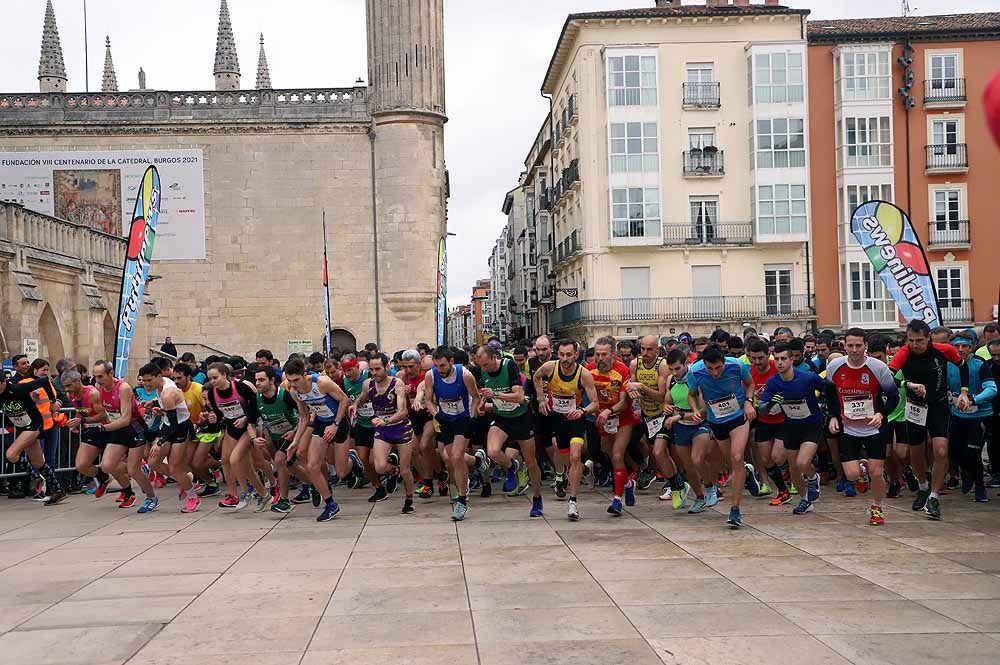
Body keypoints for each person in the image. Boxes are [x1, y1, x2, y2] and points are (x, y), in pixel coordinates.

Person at [826, 329, 900, 526]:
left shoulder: (878, 367)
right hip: (848, 428)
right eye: (850, 346)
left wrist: (881, 413)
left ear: (866, 346)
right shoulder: (835, 366)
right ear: (844, 346)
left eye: (858, 345)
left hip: (874, 427)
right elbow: (830, 394)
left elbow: (894, 397)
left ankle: (876, 508)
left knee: (877, 472)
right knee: (850, 474)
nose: (854, 350)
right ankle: (861, 470)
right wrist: (833, 416)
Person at [888, 319, 961, 517]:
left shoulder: (943, 350)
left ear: (928, 338)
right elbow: (888, 376)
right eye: (911, 340)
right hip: (915, 407)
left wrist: (963, 391)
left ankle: (934, 496)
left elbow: (962, 365)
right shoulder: (904, 352)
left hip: (938, 404)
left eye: (919, 340)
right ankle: (922, 486)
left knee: (941, 449)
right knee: (916, 452)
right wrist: (907, 384)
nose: (915, 345)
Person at [687, 345, 757, 528]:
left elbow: (750, 384)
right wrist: (695, 410)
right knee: (732, 463)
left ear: (724, 362)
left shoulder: (737, 366)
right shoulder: (695, 371)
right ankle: (746, 472)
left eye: (718, 368)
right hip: (716, 421)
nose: (714, 373)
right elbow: (691, 395)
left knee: (736, 456)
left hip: (738, 417)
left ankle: (735, 510)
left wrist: (749, 403)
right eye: (710, 368)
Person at [533, 339, 599, 520]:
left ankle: (573, 502)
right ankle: (579, 471)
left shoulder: (583, 374)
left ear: (576, 355)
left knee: (575, 455)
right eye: (561, 354)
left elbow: (595, 403)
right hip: (556, 418)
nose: (564, 358)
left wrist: (582, 411)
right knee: (562, 454)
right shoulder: (549, 367)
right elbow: (536, 377)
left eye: (569, 355)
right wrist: (541, 399)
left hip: (575, 419)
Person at [759, 343, 827, 514]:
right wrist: (771, 403)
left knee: (802, 462)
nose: (780, 363)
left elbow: (828, 389)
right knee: (793, 467)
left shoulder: (807, 377)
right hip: (791, 425)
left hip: (812, 424)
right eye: (778, 359)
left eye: (784, 359)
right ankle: (805, 500)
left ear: (791, 359)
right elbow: (762, 408)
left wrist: (828, 407)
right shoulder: (773, 382)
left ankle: (813, 477)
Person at [284, 357, 350, 522]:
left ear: (304, 375)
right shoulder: (294, 392)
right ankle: (331, 504)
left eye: (296, 380)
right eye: (289, 380)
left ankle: (353, 461)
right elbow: (304, 417)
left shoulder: (322, 382)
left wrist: (335, 424)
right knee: (312, 466)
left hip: (339, 423)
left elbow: (344, 400)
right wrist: (295, 441)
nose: (293, 384)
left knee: (341, 472)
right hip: (321, 423)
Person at [422, 346, 483, 520]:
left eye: (442, 366)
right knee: (450, 457)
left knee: (456, 457)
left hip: (463, 417)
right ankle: (478, 461)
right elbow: (428, 401)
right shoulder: (431, 376)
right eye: (436, 366)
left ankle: (462, 500)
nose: (439, 370)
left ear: (451, 362)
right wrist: (437, 415)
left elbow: (476, 398)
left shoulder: (465, 375)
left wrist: (472, 417)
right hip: (445, 418)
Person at [628, 335, 689, 508]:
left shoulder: (662, 366)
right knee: (658, 453)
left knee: (662, 451)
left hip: (665, 413)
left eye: (649, 349)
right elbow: (632, 387)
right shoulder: (635, 364)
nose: (645, 353)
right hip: (648, 415)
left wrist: (642, 387)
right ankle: (676, 484)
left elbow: (662, 396)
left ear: (657, 350)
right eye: (642, 349)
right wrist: (632, 390)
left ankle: (677, 484)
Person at [351, 353, 416, 514]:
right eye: (372, 369)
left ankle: (409, 500)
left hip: (401, 428)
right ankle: (392, 471)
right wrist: (355, 405)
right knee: (379, 466)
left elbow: (402, 411)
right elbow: (363, 397)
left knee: (406, 470)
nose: (375, 373)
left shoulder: (397, 384)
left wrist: (386, 421)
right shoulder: (368, 384)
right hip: (383, 429)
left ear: (387, 367)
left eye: (378, 369)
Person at [204, 361, 270, 512]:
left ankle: (246, 493)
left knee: (235, 459)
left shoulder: (240, 387)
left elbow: (256, 404)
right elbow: (221, 414)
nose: (213, 381)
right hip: (232, 429)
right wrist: (217, 422)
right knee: (233, 462)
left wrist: (246, 418)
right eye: (210, 379)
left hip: (249, 427)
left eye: (215, 377)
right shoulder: (213, 394)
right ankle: (263, 494)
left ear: (225, 375)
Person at [92, 360, 157, 512]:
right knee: (107, 466)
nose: (98, 380)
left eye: (101, 376)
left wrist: (103, 428)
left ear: (111, 373)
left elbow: (126, 418)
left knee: (133, 471)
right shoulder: (98, 388)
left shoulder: (123, 388)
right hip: (118, 430)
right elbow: (105, 413)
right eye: (95, 376)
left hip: (134, 429)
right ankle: (129, 489)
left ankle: (151, 498)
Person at [587, 336, 640, 516]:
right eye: (597, 354)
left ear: (613, 355)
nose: (600, 358)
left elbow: (624, 403)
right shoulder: (589, 370)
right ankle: (627, 483)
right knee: (608, 453)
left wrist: (609, 411)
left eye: (604, 354)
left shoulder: (623, 371)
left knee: (618, 455)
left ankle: (617, 500)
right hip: (602, 420)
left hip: (622, 418)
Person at [137, 363, 200, 513]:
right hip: (168, 425)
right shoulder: (161, 386)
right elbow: (168, 410)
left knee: (174, 467)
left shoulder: (168, 393)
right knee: (153, 462)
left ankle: (192, 496)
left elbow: (174, 425)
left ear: (159, 376)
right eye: (144, 381)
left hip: (180, 427)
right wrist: (155, 405)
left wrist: (160, 442)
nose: (146, 384)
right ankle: (186, 478)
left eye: (149, 380)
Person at [0, 369, 67, 505]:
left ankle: (36, 477)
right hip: (22, 428)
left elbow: (44, 381)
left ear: (3, 383)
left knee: (11, 454)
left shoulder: (18, 388)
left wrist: (53, 401)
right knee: (37, 462)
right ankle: (58, 490)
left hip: (34, 425)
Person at [252, 365, 310, 514]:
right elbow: (250, 423)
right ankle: (315, 483)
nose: (257, 383)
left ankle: (284, 500)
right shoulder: (256, 399)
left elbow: (304, 414)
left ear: (272, 380)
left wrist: (294, 431)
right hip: (275, 436)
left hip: (293, 434)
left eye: (261, 380)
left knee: (279, 460)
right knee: (290, 466)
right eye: (256, 380)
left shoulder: (284, 395)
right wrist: (254, 438)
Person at [945, 334, 996, 504]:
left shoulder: (979, 365)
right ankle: (967, 473)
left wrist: (973, 399)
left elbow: (992, 389)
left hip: (980, 415)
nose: (960, 350)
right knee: (955, 451)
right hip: (957, 415)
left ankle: (980, 486)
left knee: (972, 452)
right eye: (956, 346)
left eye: (964, 346)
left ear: (971, 348)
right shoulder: (948, 365)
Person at [747, 338, 786, 504]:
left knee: (778, 456)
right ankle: (780, 489)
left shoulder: (779, 369)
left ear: (768, 355)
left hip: (783, 418)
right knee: (765, 458)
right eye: (753, 358)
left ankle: (800, 479)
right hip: (762, 418)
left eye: (760, 358)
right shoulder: (748, 371)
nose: (757, 362)